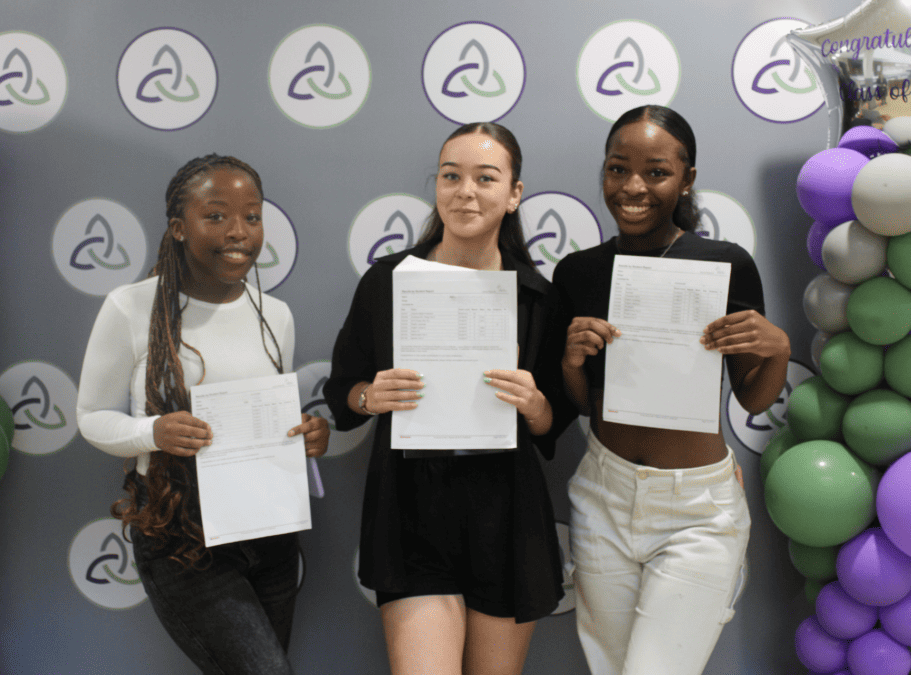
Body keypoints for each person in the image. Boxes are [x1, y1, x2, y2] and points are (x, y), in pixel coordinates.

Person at [324, 122, 576, 675]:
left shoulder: (538, 297)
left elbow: (555, 423)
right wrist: (370, 395)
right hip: (411, 507)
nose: (466, 191)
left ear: (513, 194)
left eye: (486, 178)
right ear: (436, 187)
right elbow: (341, 393)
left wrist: (535, 404)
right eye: (451, 176)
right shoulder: (387, 281)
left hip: (507, 513)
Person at [552, 105, 791, 675]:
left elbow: (753, 399)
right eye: (617, 169)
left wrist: (776, 347)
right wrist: (570, 359)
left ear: (686, 180)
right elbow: (582, 402)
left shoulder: (724, 263)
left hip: (696, 511)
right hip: (602, 495)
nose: (633, 186)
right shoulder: (578, 272)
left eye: (656, 171)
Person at [77, 154, 328, 675]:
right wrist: (154, 431)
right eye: (215, 216)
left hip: (270, 526)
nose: (238, 232)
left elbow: (270, 417)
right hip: (180, 530)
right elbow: (92, 415)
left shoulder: (275, 315)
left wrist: (306, 433)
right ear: (178, 228)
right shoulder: (131, 308)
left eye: (252, 217)